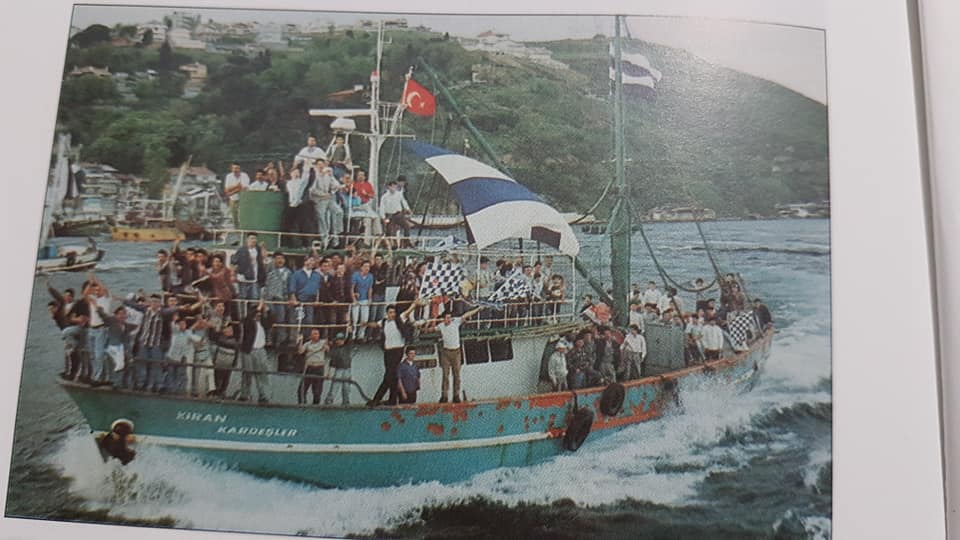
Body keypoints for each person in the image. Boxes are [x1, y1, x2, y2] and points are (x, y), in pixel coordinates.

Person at [369, 301, 420, 406]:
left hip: (397, 350)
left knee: (389, 375)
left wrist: (415, 304)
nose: (392, 314)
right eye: (390, 312)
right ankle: (392, 400)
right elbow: (375, 324)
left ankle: (376, 399)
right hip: (388, 351)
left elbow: (408, 312)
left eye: (394, 312)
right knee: (392, 376)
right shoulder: (384, 322)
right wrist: (364, 324)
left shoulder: (399, 319)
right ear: (387, 313)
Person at [437, 305, 482, 403]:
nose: (449, 319)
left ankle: (456, 395)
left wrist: (477, 309)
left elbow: (466, 315)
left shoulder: (455, 322)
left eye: (450, 317)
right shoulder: (441, 326)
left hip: (456, 352)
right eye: (447, 318)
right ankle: (444, 396)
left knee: (457, 375)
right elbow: (432, 328)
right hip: (446, 352)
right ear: (443, 319)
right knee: (445, 375)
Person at [239, 299, 272, 403]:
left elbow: (270, 322)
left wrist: (267, 310)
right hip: (249, 350)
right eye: (257, 313)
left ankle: (262, 395)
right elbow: (248, 318)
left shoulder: (263, 323)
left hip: (260, 350)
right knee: (247, 373)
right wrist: (259, 307)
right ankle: (244, 395)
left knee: (261, 374)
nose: (259, 314)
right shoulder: (248, 322)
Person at [287, 255, 322, 339]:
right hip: (299, 301)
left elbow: (318, 289)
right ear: (305, 262)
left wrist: (317, 300)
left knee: (309, 321)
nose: (311, 262)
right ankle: (294, 340)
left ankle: (307, 339)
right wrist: (294, 300)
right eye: (309, 260)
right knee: (297, 321)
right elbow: (292, 288)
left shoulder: (317, 275)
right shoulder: (296, 274)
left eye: (313, 261)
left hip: (310, 302)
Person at [230, 234, 266, 313]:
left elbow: (264, 258)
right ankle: (242, 315)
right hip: (243, 279)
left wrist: (263, 248)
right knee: (242, 298)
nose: (254, 240)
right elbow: (233, 263)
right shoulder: (241, 250)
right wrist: (233, 275)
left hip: (254, 280)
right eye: (252, 238)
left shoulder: (258, 250)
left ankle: (252, 316)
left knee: (254, 299)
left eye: (255, 238)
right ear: (247, 240)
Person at [263, 252, 292, 348]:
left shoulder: (288, 273)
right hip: (270, 300)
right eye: (277, 258)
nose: (280, 260)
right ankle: (269, 340)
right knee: (269, 319)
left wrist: (289, 299)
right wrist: (265, 301)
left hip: (282, 300)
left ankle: (281, 341)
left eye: (281, 258)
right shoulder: (269, 271)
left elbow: (290, 287)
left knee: (281, 320)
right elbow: (266, 286)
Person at [296, 328, 329, 405]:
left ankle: (315, 406)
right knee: (301, 390)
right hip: (309, 368)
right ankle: (302, 405)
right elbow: (300, 351)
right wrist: (300, 341)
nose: (315, 335)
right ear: (310, 336)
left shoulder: (322, 342)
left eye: (317, 334)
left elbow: (327, 349)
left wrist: (326, 345)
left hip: (319, 368)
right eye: (313, 334)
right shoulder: (307, 344)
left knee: (317, 392)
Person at [324, 332, 353, 405]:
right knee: (334, 387)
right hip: (339, 370)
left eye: (341, 339)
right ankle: (328, 402)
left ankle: (346, 403)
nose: (339, 341)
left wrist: (350, 332)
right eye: (338, 340)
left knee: (346, 388)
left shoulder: (347, 347)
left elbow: (350, 340)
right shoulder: (334, 349)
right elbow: (332, 362)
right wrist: (329, 373)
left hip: (347, 370)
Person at [210, 324, 239, 397]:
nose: (230, 331)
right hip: (219, 361)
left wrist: (235, 363)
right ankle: (217, 392)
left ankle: (223, 392)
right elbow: (213, 337)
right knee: (217, 378)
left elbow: (236, 351)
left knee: (226, 378)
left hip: (229, 363)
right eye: (228, 329)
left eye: (231, 330)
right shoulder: (220, 338)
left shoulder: (234, 341)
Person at [350, 261, 374, 341]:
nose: (367, 268)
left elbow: (370, 288)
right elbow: (352, 288)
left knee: (365, 319)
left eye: (368, 267)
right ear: (361, 267)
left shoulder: (370, 276)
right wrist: (354, 299)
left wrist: (370, 299)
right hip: (356, 300)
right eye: (365, 266)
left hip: (365, 299)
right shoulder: (355, 275)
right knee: (355, 319)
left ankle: (361, 336)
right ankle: (353, 336)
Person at [223, 162, 250, 228]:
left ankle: (243, 230)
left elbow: (244, 188)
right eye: (234, 168)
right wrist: (236, 186)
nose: (235, 170)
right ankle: (236, 230)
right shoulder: (229, 176)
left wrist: (232, 191)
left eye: (237, 168)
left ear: (240, 169)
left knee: (243, 216)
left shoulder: (244, 175)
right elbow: (226, 190)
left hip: (243, 199)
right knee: (234, 218)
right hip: (233, 199)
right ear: (231, 169)